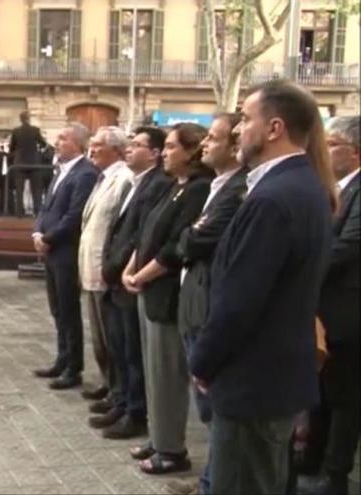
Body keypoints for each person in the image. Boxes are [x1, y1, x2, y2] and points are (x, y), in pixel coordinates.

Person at [189, 80, 336, 495]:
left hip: (253, 383)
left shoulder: (274, 198)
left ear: (274, 128)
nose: (237, 129)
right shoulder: (302, 186)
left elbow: (240, 300)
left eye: (245, 119)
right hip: (272, 380)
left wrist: (203, 360)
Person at [122, 123, 213, 475]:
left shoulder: (198, 189)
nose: (166, 152)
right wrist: (133, 267)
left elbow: (176, 245)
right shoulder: (172, 187)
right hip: (148, 287)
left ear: (192, 152)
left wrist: (141, 274)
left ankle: (171, 448)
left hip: (167, 291)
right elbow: (147, 233)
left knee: (168, 373)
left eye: (173, 146)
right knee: (152, 371)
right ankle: (159, 437)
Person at [168, 113, 247, 495]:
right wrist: (191, 235)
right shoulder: (218, 186)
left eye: (213, 138)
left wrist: (191, 235)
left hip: (211, 306)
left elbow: (195, 242)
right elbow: (190, 237)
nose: (205, 146)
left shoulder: (239, 190)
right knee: (206, 408)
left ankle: (216, 483)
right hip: (194, 302)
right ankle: (210, 480)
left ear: (235, 146)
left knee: (215, 406)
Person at [99, 127, 172, 441]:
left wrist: (119, 268)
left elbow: (141, 235)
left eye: (138, 145)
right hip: (118, 278)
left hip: (130, 278)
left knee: (133, 353)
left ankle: (135, 412)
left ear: (154, 154)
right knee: (119, 345)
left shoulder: (158, 184)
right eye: (129, 144)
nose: (130, 149)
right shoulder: (136, 182)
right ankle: (123, 400)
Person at [306, 116, 359, 495]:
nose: (324, 151)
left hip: (348, 311)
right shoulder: (330, 188)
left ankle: (335, 474)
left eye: (334, 144)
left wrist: (300, 266)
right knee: (322, 392)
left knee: (346, 396)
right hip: (323, 308)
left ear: (356, 152)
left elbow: (347, 247)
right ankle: (312, 457)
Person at [31, 123, 99, 390]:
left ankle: (74, 367)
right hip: (50, 250)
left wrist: (48, 238)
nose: (57, 142)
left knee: (69, 310)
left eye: (63, 138)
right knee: (57, 309)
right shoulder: (60, 171)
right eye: (57, 137)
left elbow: (74, 216)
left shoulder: (85, 174)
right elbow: (46, 208)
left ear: (79, 144)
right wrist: (37, 233)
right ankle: (61, 359)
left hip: (65, 252)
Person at [77, 126, 133, 427]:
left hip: (104, 269)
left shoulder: (122, 179)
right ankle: (110, 386)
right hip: (89, 267)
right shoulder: (102, 179)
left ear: (115, 149)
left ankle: (118, 393)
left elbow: (118, 229)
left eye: (98, 145)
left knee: (112, 340)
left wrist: (111, 265)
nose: (92, 149)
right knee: (99, 337)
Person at [9, 111, 48, 216]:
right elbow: (43, 144)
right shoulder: (35, 130)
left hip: (19, 162)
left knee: (19, 189)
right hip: (33, 162)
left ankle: (20, 212)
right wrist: (38, 151)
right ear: (28, 119)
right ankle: (37, 210)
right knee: (36, 189)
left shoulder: (16, 131)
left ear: (20, 119)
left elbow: (11, 147)